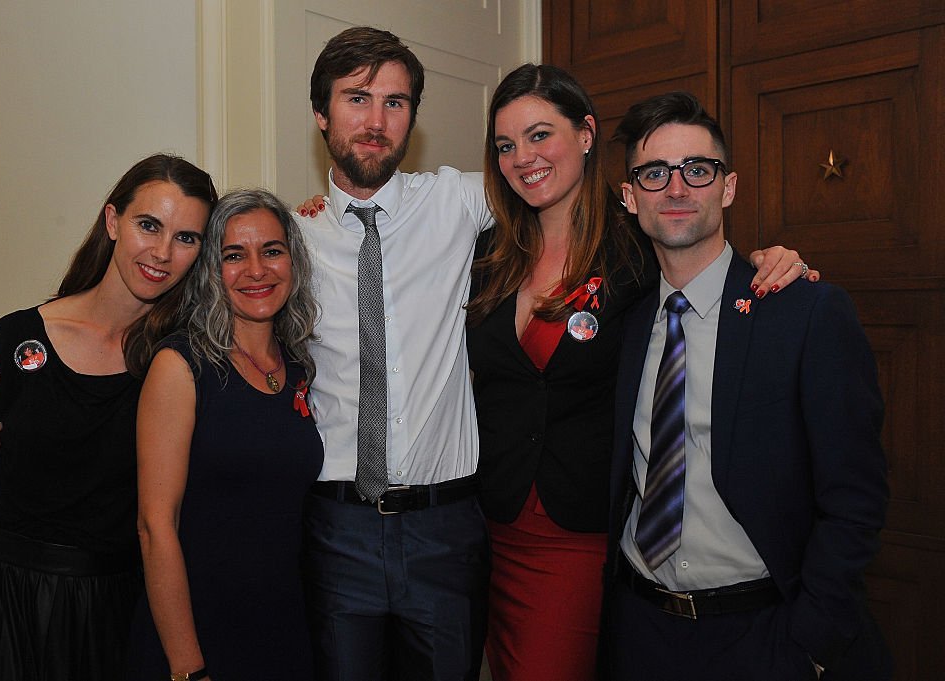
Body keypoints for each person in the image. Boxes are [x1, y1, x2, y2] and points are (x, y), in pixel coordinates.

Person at [466, 64, 819, 681]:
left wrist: (777, 260)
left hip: (580, 532)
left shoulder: (638, 247)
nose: (522, 157)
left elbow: (709, 273)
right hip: (487, 526)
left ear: (585, 134)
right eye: (505, 145)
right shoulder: (488, 252)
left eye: (540, 134)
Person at [605, 91, 891, 680]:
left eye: (697, 170)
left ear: (727, 187)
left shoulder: (804, 312)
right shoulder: (626, 321)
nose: (677, 189)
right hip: (639, 629)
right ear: (631, 197)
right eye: (655, 173)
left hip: (764, 634)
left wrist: (812, 640)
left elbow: (856, 495)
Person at [0, 154, 217, 681]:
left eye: (186, 238)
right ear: (112, 221)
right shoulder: (20, 336)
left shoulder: (182, 362)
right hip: (3, 602)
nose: (162, 252)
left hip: (116, 608)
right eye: (148, 225)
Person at [298, 27, 493, 681]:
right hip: (335, 530)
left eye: (395, 102)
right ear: (321, 114)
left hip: (446, 529)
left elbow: (567, 198)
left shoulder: (459, 200)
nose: (375, 121)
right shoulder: (288, 239)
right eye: (356, 98)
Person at [124, 189, 322, 681]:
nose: (256, 270)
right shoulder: (181, 365)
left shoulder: (298, 366)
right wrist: (189, 668)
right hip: (196, 635)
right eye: (234, 255)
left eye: (272, 251)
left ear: (293, 262)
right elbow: (155, 526)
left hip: (284, 627)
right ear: (211, 269)